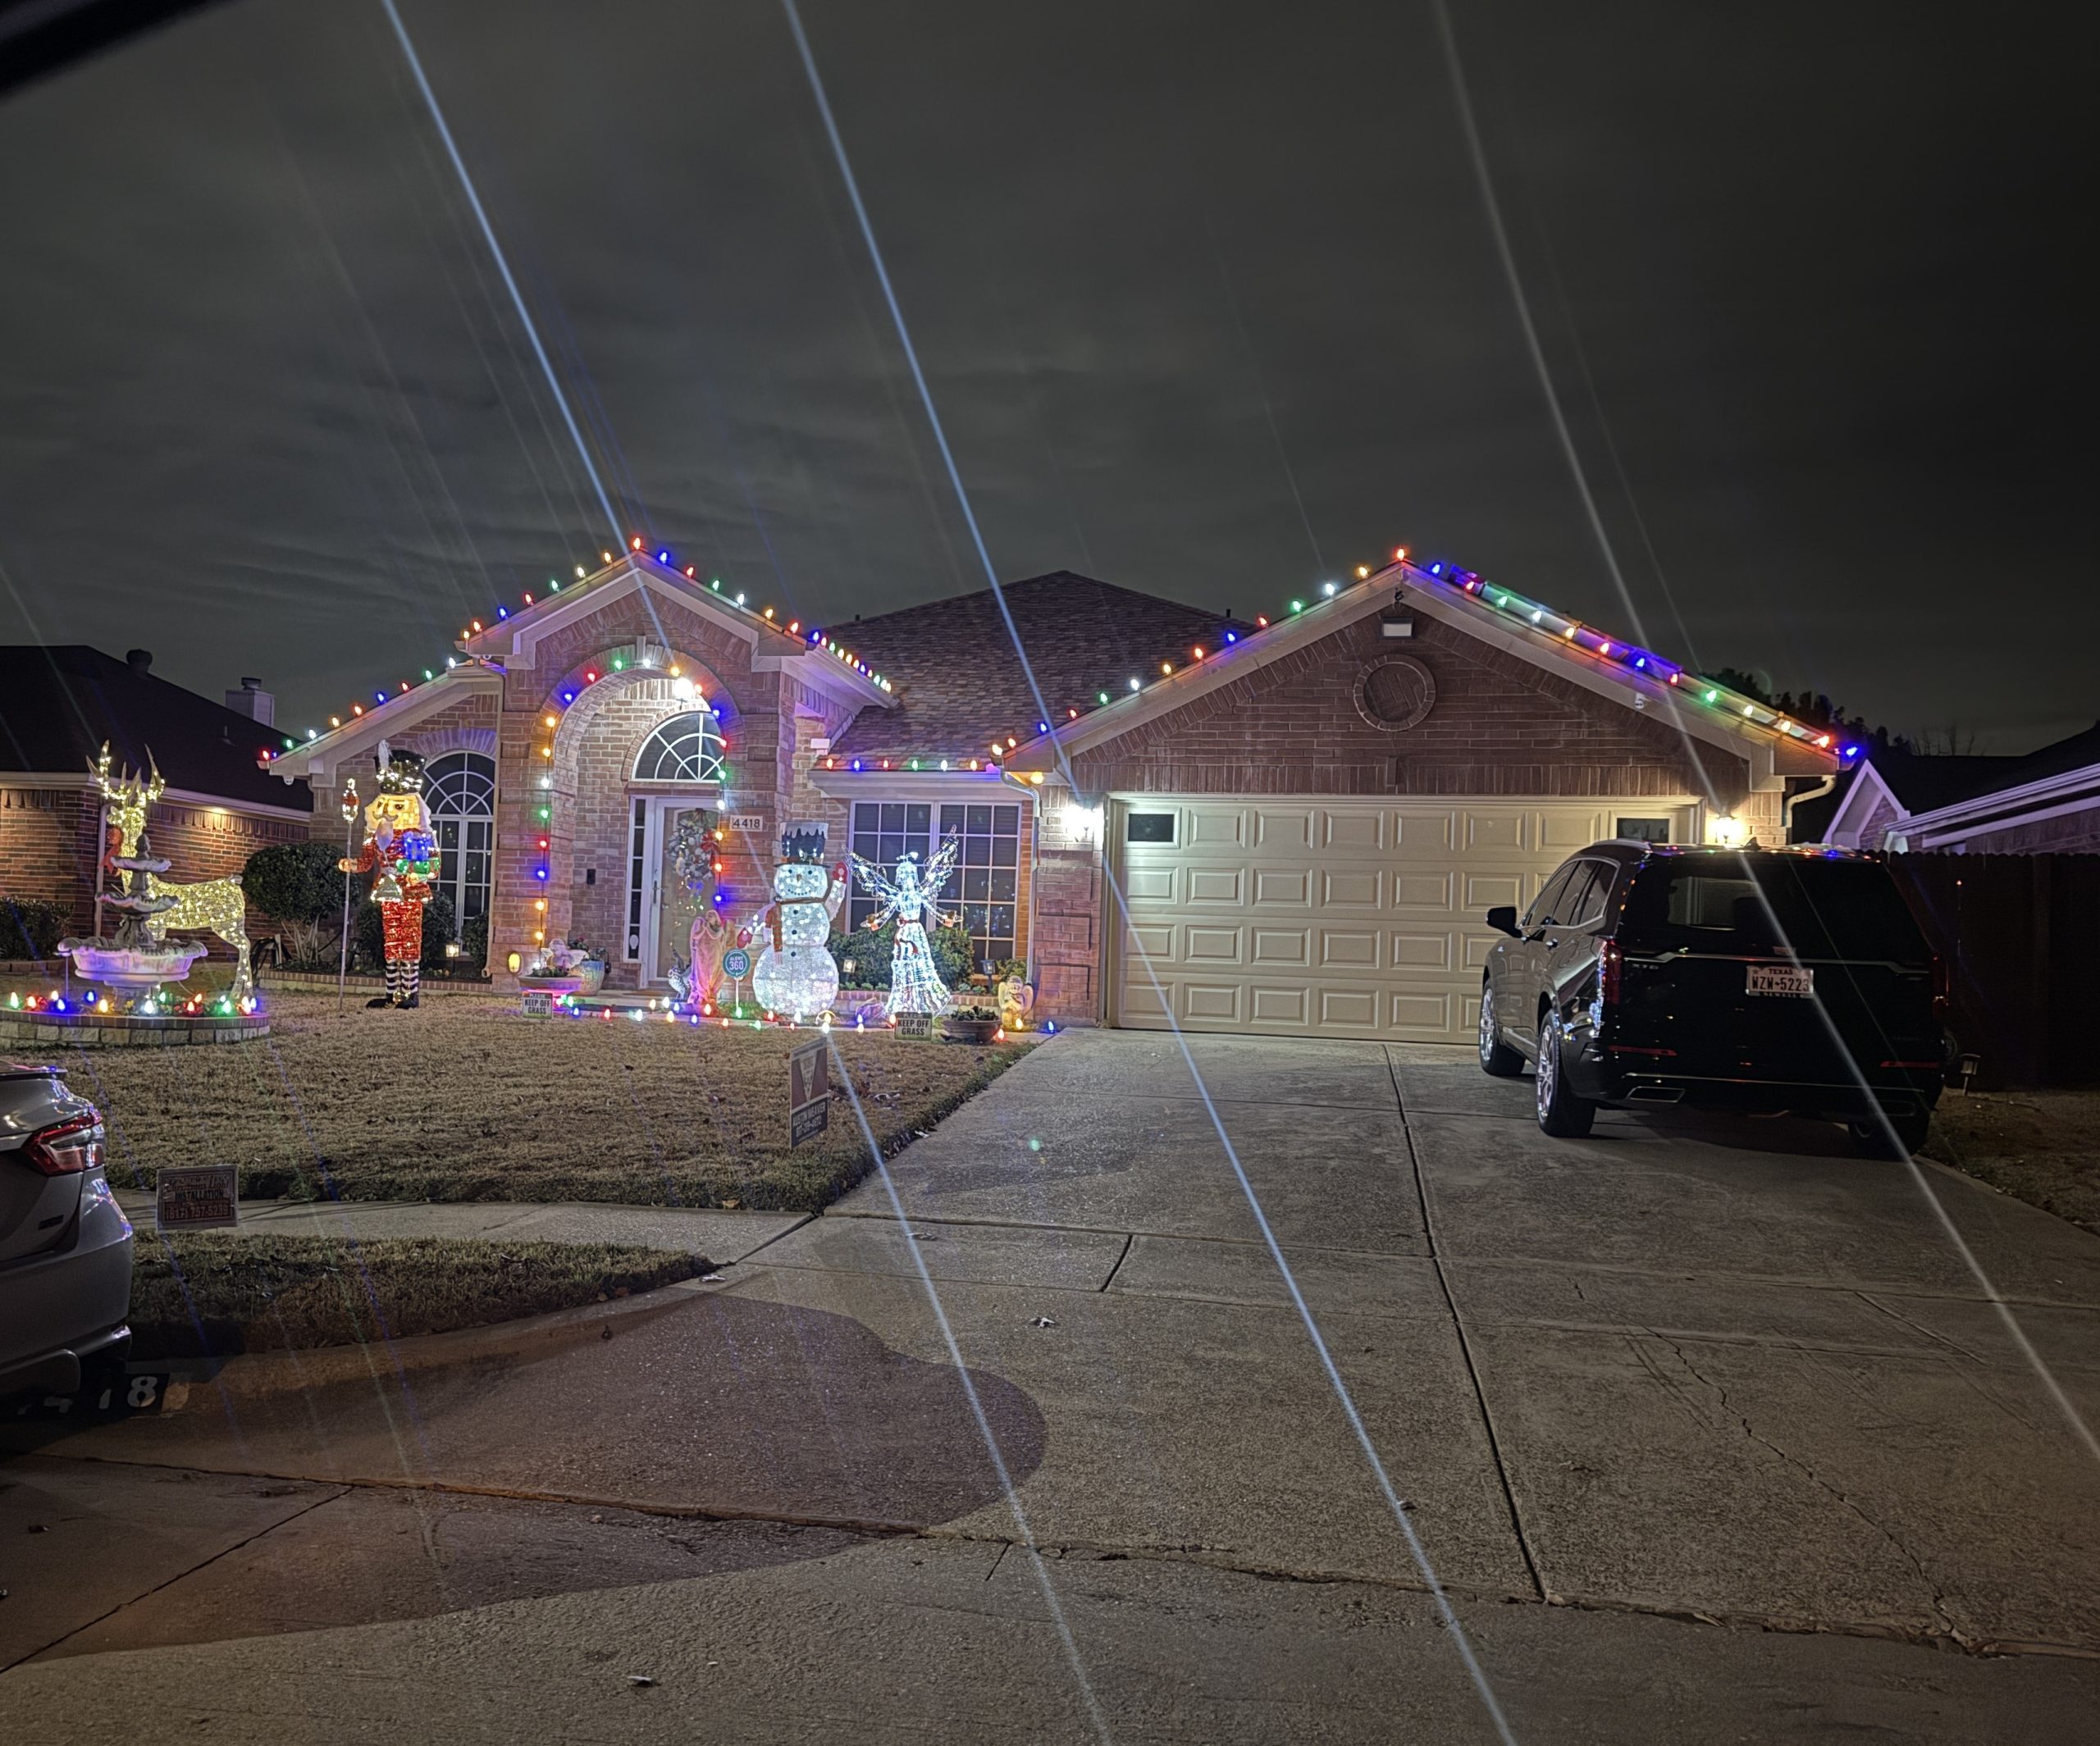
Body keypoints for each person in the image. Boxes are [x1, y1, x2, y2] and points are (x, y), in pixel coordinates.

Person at [340, 743, 435, 1008]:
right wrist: (351, 864)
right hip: (387, 892)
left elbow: (432, 867)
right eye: (385, 804)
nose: (389, 811)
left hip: (411, 894)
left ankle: (411, 992)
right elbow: (366, 862)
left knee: (409, 941)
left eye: (397, 805)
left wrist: (410, 871)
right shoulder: (375, 838)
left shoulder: (419, 836)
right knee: (391, 940)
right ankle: (392, 992)